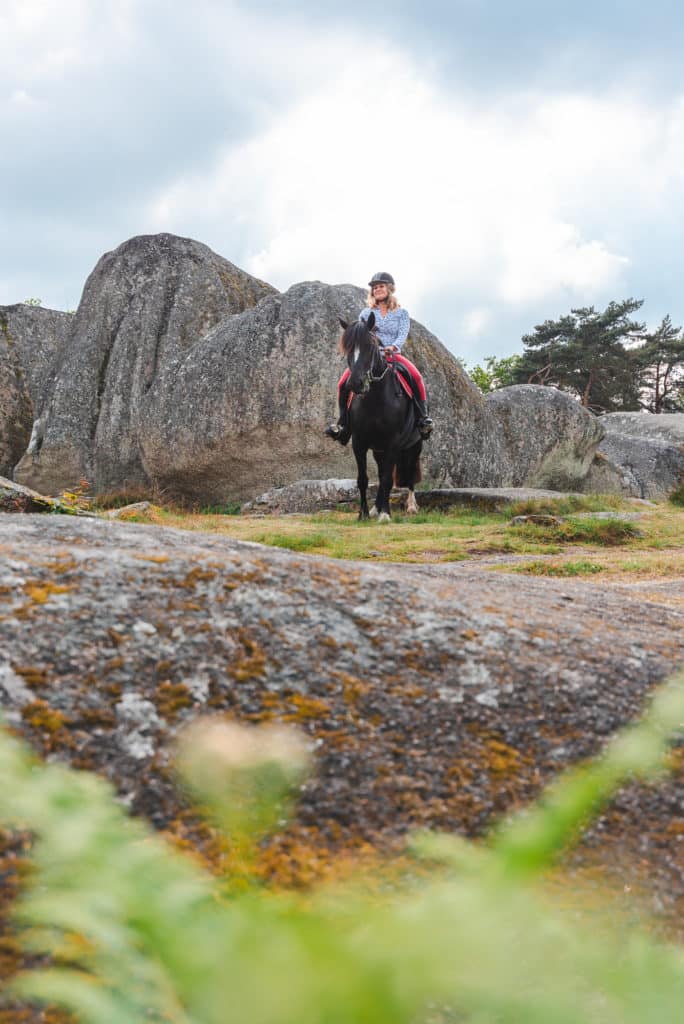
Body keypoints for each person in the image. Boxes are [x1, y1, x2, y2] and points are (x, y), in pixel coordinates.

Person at [325, 272, 434, 445]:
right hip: (369, 357)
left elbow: (402, 334)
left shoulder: (401, 313)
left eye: (381, 286)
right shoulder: (366, 313)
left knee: (416, 377)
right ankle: (343, 425)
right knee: (343, 383)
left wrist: (393, 346)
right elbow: (359, 335)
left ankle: (422, 419)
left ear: (390, 288)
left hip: (392, 355)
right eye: (375, 288)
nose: (377, 290)